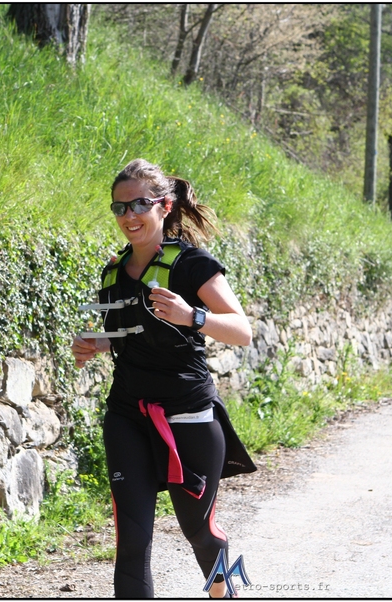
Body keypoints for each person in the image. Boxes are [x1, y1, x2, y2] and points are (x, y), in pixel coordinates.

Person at [71, 159, 256, 598]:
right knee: (132, 541)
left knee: (200, 533)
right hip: (127, 415)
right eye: (120, 208)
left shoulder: (192, 265)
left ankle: (224, 591)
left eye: (140, 204)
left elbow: (242, 331)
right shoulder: (113, 272)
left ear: (164, 206)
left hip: (188, 415)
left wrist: (193, 315)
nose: (129, 216)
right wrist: (97, 344)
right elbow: (134, 335)